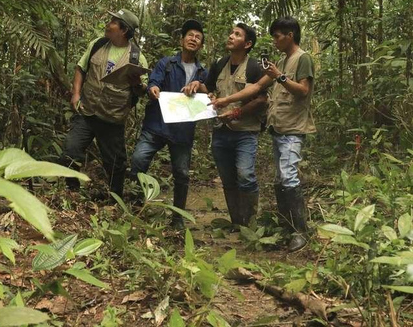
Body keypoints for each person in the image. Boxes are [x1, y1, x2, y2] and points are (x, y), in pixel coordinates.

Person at [210, 16, 315, 252]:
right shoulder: (281, 61)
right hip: (279, 128)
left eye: (277, 36)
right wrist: (227, 100)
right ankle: (286, 227)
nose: (275, 41)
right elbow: (256, 87)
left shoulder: (302, 59)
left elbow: (303, 90)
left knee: (288, 177)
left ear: (290, 36)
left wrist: (280, 76)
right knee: (281, 179)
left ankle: (300, 231)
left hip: (293, 129)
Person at [183, 23, 266, 229]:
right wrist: (197, 85)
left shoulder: (254, 67)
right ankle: (237, 223)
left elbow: (262, 99)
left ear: (247, 44)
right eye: (231, 33)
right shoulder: (219, 64)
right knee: (228, 180)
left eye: (237, 35)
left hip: (245, 131)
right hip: (221, 131)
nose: (231, 36)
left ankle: (251, 224)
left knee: (245, 176)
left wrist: (237, 112)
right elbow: (209, 89)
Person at [129, 19, 207, 228]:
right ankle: (136, 206)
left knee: (181, 173)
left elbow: (209, 96)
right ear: (182, 40)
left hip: (182, 131)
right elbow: (154, 82)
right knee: (138, 161)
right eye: (190, 35)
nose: (193, 39)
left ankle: (177, 217)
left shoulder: (202, 73)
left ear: (201, 45)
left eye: (198, 37)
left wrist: (201, 88)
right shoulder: (167, 63)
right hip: (157, 125)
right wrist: (152, 89)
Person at [64, 9, 149, 199]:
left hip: (112, 118)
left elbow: (141, 92)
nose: (108, 24)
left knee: (116, 164)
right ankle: (72, 191)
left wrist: (137, 84)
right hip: (87, 111)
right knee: (71, 150)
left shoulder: (137, 58)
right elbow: (81, 68)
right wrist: (76, 94)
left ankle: (114, 199)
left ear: (124, 30)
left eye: (113, 22)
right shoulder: (98, 45)